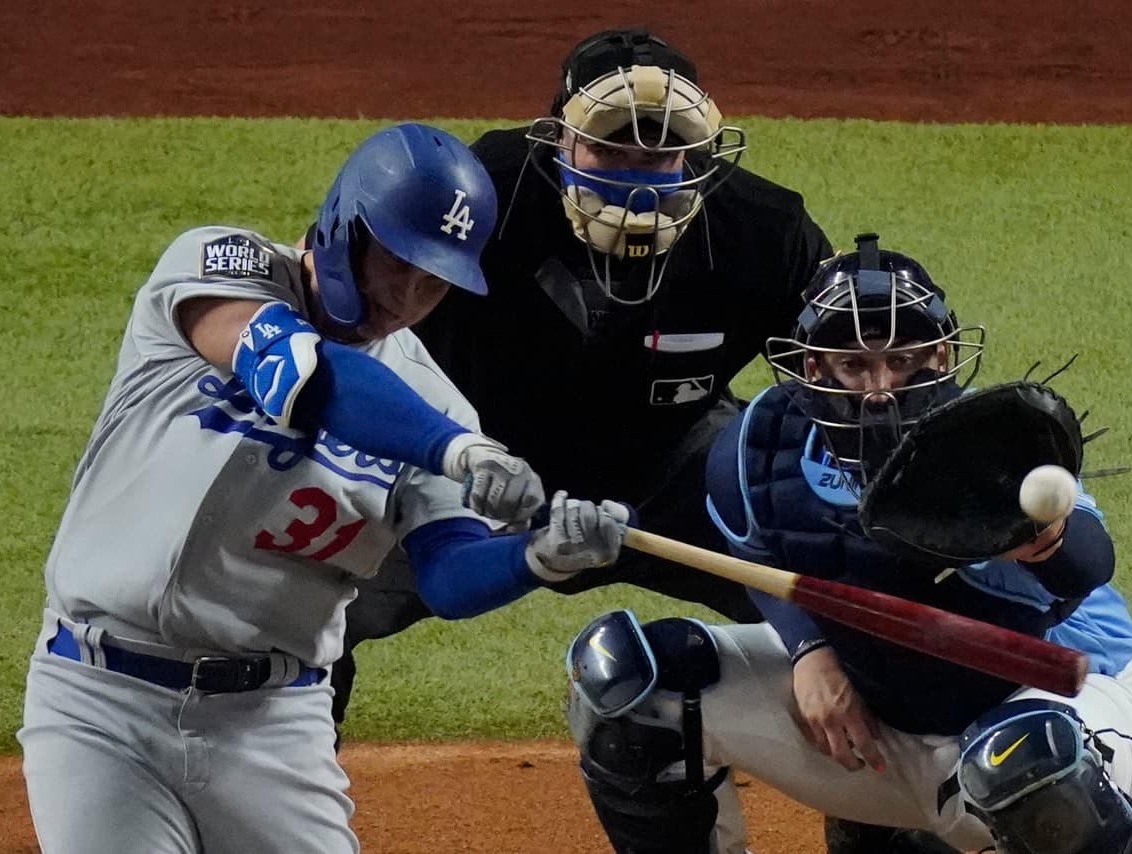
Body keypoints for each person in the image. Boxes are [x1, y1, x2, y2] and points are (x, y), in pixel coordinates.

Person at [17, 122, 630, 854]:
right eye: (395, 260)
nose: (405, 296)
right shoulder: (224, 267)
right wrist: (457, 452)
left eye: (434, 281)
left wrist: (538, 558)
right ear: (347, 224)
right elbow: (308, 374)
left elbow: (448, 577)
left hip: (273, 725)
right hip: (98, 700)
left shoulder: (433, 402)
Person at [563, 233, 1132, 854]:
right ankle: (892, 827)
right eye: (854, 365)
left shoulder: (1000, 454)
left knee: (1027, 764)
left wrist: (1045, 539)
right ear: (812, 367)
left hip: (1068, 718)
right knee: (628, 680)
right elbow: (759, 562)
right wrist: (809, 651)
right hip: (884, 723)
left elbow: (1086, 562)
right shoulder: (760, 451)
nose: (881, 388)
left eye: (903, 360)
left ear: (941, 361)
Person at [330, 29, 832, 722]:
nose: (637, 178)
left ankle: (887, 824)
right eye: (609, 150)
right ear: (557, 141)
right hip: (469, 472)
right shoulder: (479, 194)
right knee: (305, 603)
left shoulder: (763, 230)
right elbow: (352, 333)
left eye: (662, 154)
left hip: (671, 468)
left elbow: (845, 380)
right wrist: (436, 448)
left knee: (832, 589)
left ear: (700, 153)